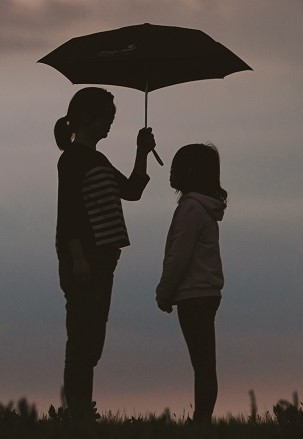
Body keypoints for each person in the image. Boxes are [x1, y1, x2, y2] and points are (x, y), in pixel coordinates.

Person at [54, 87, 156, 421]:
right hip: (84, 261)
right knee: (82, 341)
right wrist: (77, 256)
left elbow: (133, 190)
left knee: (92, 340)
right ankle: (78, 414)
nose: (110, 124)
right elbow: (68, 213)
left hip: (103, 262)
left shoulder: (97, 160)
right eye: (106, 118)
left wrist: (142, 151)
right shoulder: (72, 159)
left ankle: (81, 411)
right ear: (86, 118)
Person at [155, 143, 227, 424]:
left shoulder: (190, 210)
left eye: (176, 167)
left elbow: (178, 256)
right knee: (205, 362)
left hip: (194, 295)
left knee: (203, 364)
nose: (171, 172)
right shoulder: (203, 209)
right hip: (206, 293)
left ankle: (201, 420)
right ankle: (202, 418)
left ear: (189, 172)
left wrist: (164, 292)